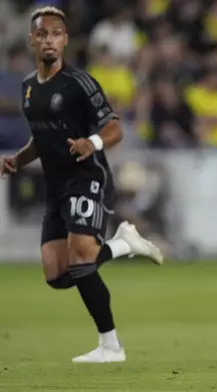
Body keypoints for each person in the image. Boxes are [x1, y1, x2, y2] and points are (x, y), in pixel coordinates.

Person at [0, 6, 163, 363]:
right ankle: (122, 245)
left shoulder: (79, 82)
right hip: (56, 186)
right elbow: (40, 140)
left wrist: (94, 143)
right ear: (31, 39)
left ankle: (110, 346)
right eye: (42, 34)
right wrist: (18, 160)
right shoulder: (29, 88)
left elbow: (115, 128)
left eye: (56, 34)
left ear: (65, 40)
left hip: (88, 177)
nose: (49, 40)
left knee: (81, 260)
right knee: (57, 275)